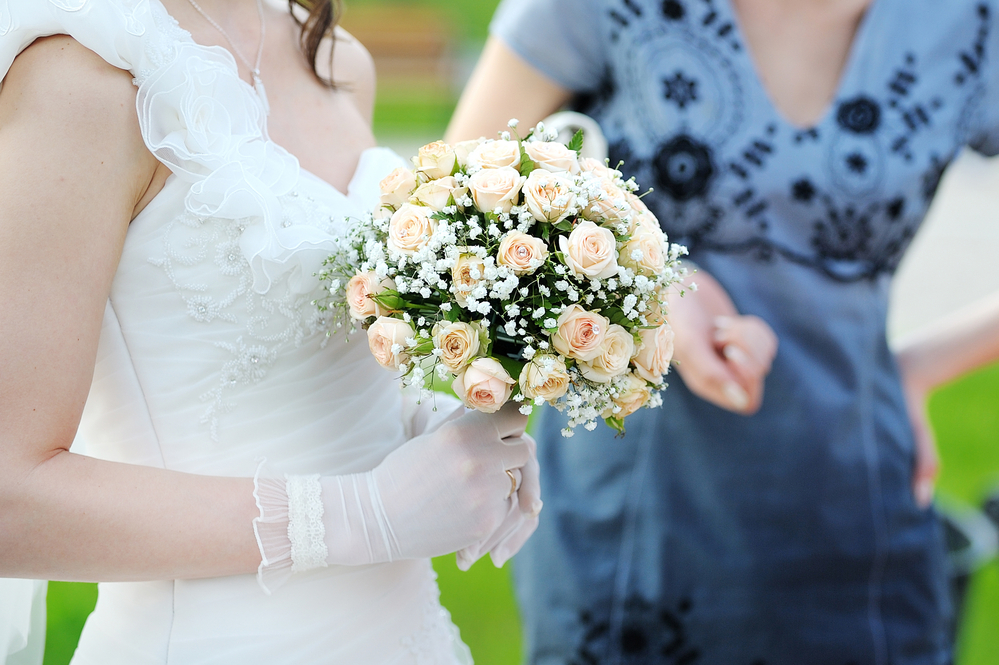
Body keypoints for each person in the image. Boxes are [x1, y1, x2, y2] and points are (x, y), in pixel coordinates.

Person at [446, 0, 999, 662]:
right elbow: (444, 209)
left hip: (857, 513)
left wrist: (918, 366)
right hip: (628, 527)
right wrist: (643, 284)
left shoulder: (968, 21)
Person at [0, 0, 542, 663]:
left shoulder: (337, 61)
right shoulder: (82, 80)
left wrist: (432, 430)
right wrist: (363, 513)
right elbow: (9, 498)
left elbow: (302, 360)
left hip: (407, 634)